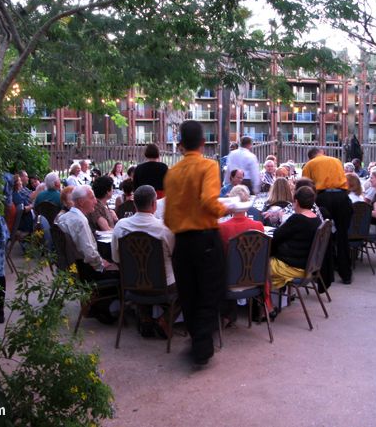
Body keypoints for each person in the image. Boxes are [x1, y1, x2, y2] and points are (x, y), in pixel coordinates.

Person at [164, 120, 232, 366]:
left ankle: (197, 340)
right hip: (205, 238)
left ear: (180, 145)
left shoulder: (172, 173)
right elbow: (208, 201)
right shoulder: (207, 166)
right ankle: (202, 344)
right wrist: (226, 207)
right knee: (210, 290)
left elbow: (168, 217)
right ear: (203, 143)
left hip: (181, 241)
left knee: (189, 292)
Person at [111, 185, 176, 338]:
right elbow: (175, 256)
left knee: (141, 274)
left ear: (134, 204)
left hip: (132, 285)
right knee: (188, 284)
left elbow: (116, 259)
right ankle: (164, 319)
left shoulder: (121, 226)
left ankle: (145, 318)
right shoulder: (165, 229)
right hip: (163, 287)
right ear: (155, 204)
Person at [302, 147, 353, 284]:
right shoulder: (336, 161)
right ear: (322, 152)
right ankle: (346, 274)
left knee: (323, 237)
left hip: (323, 198)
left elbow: (305, 187)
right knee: (343, 236)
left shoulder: (310, 165)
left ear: (311, 157)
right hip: (342, 197)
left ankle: (325, 276)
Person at [267, 186, 321, 307]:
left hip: (293, 267)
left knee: (259, 265)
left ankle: (265, 307)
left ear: (296, 202)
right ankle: (281, 299)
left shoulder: (298, 219)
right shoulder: (316, 219)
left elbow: (277, 235)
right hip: (307, 266)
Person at [218, 185, 264, 326]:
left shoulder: (222, 228)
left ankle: (226, 315)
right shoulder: (259, 226)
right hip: (255, 279)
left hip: (228, 281)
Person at [54, 186, 118, 278]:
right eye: (92, 198)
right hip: (85, 271)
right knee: (122, 270)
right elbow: (89, 253)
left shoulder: (63, 217)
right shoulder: (80, 221)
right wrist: (101, 265)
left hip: (71, 268)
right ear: (81, 202)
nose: (95, 202)